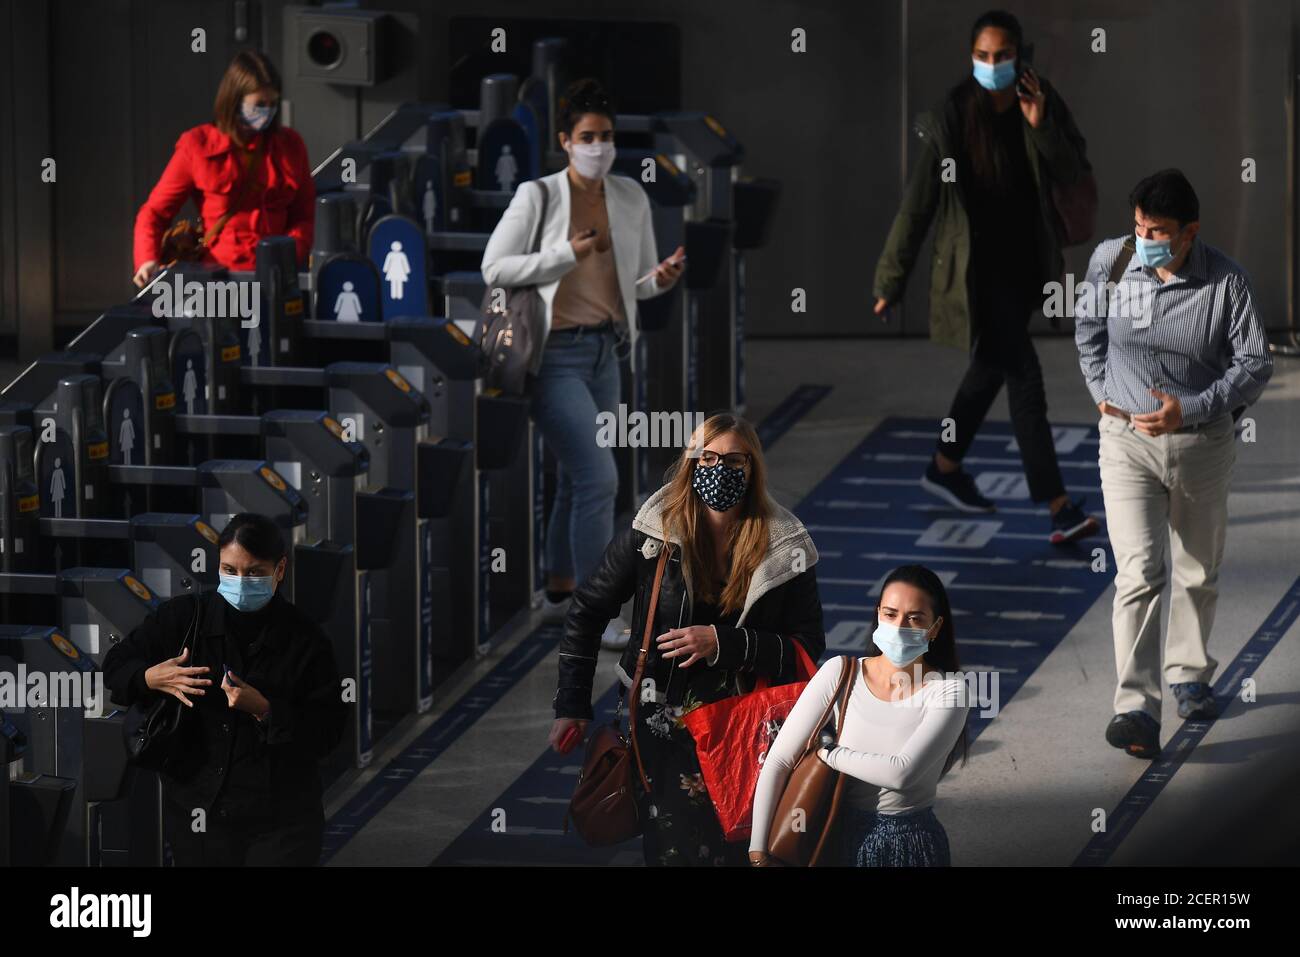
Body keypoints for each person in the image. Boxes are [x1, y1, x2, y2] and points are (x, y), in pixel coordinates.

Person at [550, 413, 826, 865]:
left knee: (738, 846)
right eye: (708, 458)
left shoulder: (785, 545)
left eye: (734, 461)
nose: (720, 470)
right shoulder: (653, 534)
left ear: (753, 468)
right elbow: (586, 610)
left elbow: (808, 647)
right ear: (691, 463)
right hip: (665, 723)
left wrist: (724, 644)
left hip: (745, 723)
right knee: (673, 849)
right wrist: (571, 705)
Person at [872, 9, 1099, 545]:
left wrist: (1041, 126)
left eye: (1002, 56)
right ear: (971, 57)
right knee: (1025, 380)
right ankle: (1058, 505)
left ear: (1020, 56)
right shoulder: (951, 117)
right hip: (977, 274)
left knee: (990, 368)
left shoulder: (1040, 101)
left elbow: (1073, 171)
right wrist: (890, 278)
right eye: (983, 56)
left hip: (1026, 268)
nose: (992, 65)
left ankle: (944, 467)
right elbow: (918, 205)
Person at [1074, 169, 1273, 759]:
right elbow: (1087, 331)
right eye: (1137, 226)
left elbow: (1254, 364)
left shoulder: (1227, 282)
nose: (1143, 238)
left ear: (1190, 233)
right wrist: (1099, 393)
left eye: (1157, 230)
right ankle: (1135, 707)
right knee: (1138, 573)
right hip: (1126, 442)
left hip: (1202, 445)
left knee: (1195, 568)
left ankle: (1188, 672)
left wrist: (1190, 409)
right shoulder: (1111, 263)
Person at [481, 77, 684, 650]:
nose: (600, 146)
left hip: (606, 352)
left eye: (607, 136)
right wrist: (566, 253)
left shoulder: (629, 197)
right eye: (588, 136)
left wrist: (659, 279)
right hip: (555, 356)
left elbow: (636, 284)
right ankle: (596, 614)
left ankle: (561, 589)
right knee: (600, 479)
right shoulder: (538, 197)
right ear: (566, 141)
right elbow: (494, 268)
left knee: (578, 477)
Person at [102, 513, 346, 865]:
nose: (241, 582)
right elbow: (116, 665)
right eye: (230, 570)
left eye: (254, 572)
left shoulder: (305, 640)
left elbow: (329, 732)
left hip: (280, 822)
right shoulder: (184, 619)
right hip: (199, 817)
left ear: (279, 570)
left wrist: (264, 709)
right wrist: (151, 678)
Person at [749, 565, 970, 867]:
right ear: (878, 614)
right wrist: (758, 852)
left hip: (908, 845)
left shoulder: (950, 690)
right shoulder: (839, 672)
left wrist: (828, 753)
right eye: (890, 614)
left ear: (935, 627)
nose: (900, 626)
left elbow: (901, 774)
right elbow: (778, 761)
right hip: (833, 835)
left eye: (915, 618)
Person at [132, 50, 314, 287]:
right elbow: (154, 213)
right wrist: (147, 260)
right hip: (218, 280)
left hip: (276, 279)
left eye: (273, 104)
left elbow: (304, 216)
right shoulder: (197, 146)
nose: (267, 111)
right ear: (235, 101)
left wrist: (289, 256)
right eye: (259, 104)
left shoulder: (290, 145)